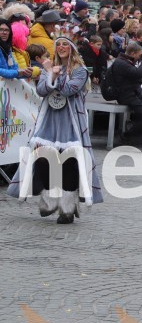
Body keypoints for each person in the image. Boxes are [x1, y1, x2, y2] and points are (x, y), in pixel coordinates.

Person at [7, 38, 104, 222]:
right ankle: (50, 199)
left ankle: (68, 208)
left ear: (72, 49)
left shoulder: (80, 71)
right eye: (58, 45)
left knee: (69, 161)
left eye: (65, 45)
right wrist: (50, 73)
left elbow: (69, 90)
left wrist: (54, 74)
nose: (61, 48)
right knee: (43, 158)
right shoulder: (49, 68)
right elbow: (42, 91)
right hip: (49, 121)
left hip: (71, 121)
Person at [109, 42, 142, 139]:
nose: (140, 57)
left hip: (135, 93)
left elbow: (139, 78)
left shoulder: (128, 61)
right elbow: (138, 74)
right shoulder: (120, 62)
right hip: (126, 95)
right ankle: (127, 135)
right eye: (139, 55)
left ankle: (137, 126)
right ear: (133, 54)